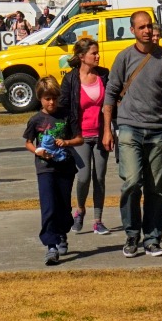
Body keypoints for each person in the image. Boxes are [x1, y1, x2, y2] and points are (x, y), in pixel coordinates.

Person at [102, 10, 162, 259]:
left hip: (158, 131)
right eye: (142, 27)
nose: (147, 30)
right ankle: (131, 235)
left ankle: (152, 239)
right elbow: (111, 93)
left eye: (149, 26)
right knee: (132, 183)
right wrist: (107, 129)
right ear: (133, 31)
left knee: (156, 188)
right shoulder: (124, 57)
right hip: (129, 128)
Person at [24, 77, 84, 266]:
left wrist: (66, 143)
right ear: (40, 98)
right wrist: (38, 151)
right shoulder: (35, 120)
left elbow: (79, 139)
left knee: (63, 206)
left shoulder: (67, 115)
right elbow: (28, 142)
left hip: (65, 166)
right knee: (48, 205)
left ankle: (62, 232)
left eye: (55, 99)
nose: (52, 102)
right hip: (45, 168)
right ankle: (51, 246)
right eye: (47, 99)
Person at [59, 37, 110, 236]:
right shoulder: (71, 79)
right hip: (79, 136)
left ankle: (98, 220)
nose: (97, 56)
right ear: (82, 56)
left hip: (101, 134)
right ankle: (80, 210)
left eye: (97, 53)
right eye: (93, 53)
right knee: (83, 177)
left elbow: (111, 102)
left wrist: (110, 130)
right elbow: (63, 106)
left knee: (99, 177)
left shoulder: (104, 75)